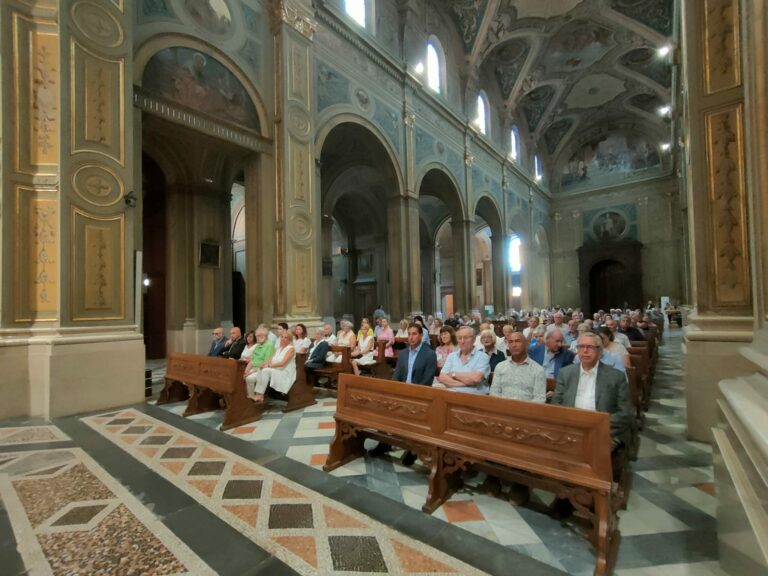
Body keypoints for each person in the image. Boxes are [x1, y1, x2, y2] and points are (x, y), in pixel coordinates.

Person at [552, 332, 634, 450]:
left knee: (590, 450)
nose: (585, 351)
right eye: (581, 347)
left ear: (600, 351)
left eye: (590, 347)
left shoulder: (616, 376)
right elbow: (556, 405)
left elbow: (625, 413)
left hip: (603, 431)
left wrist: (596, 427)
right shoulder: (565, 373)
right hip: (571, 429)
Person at [386, 323, 438, 466]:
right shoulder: (404, 353)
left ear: (421, 335)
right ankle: (385, 442)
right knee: (385, 408)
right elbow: (396, 376)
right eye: (409, 334)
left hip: (419, 396)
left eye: (414, 334)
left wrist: (412, 395)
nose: (411, 337)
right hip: (401, 393)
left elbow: (427, 381)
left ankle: (413, 449)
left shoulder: (429, 354)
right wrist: (394, 392)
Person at [490, 332, 546, 402]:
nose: (514, 345)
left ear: (526, 344)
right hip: (502, 407)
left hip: (526, 408)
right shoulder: (500, 367)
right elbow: (494, 392)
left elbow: (539, 398)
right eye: (510, 342)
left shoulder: (538, 370)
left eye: (518, 341)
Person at [436, 326, 490, 394]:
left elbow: (476, 379)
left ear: (474, 339)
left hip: (474, 397)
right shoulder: (452, 356)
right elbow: (442, 377)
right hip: (451, 396)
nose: (462, 341)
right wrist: (465, 383)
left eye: (466, 338)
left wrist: (453, 374)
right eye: (459, 338)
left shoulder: (483, 357)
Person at [251, 332, 296, 402]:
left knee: (266, 370)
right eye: (282, 337)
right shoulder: (278, 348)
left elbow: (283, 363)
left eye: (285, 337)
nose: (283, 339)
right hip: (276, 369)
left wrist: (268, 366)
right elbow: (270, 360)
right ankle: (257, 394)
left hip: (285, 372)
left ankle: (261, 395)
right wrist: (263, 364)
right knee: (261, 369)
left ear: (290, 340)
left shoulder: (291, 349)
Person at [243, 327, 276, 396]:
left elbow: (266, 362)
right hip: (254, 368)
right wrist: (246, 371)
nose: (257, 338)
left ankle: (251, 397)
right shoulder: (258, 345)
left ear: (264, 336)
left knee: (249, 378)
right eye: (256, 336)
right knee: (242, 375)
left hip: (262, 370)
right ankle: (247, 396)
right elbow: (252, 360)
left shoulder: (269, 345)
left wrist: (251, 371)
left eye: (259, 336)